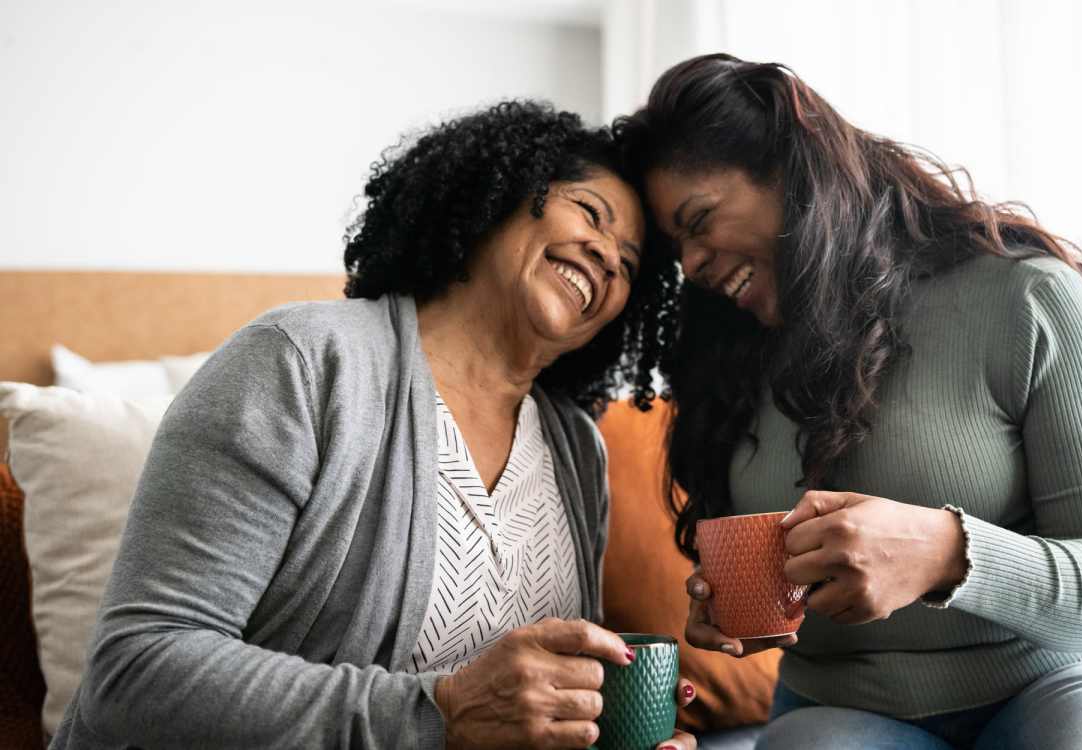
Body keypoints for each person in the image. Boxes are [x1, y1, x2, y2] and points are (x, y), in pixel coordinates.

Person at [51, 101, 696, 750]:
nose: (606, 257)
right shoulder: (301, 361)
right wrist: (441, 712)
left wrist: (605, 726)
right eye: (590, 213)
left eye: (628, 265)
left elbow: (545, 698)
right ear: (497, 195)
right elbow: (136, 670)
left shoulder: (576, 448)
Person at [615, 54, 1082, 748]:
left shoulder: (1023, 297)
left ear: (790, 168)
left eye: (701, 220)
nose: (692, 265)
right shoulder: (727, 360)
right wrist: (734, 608)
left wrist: (947, 553)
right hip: (841, 709)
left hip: (1059, 684)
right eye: (676, 249)